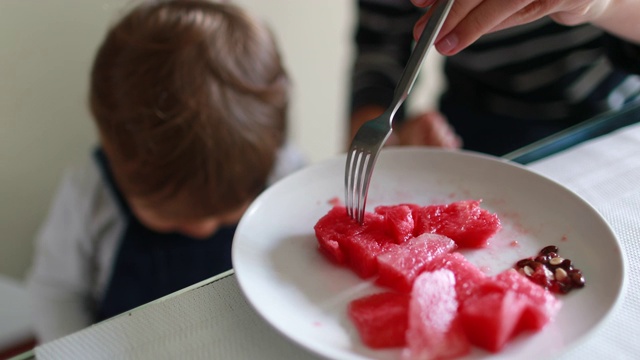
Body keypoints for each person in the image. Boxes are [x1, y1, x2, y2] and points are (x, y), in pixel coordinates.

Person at [26, 0, 305, 344]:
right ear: (118, 161)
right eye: (173, 215)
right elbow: (55, 293)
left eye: (224, 211)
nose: (202, 229)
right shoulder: (91, 196)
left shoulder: (286, 177)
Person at [350, 0, 640, 155]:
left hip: (619, 125)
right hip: (478, 129)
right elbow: (381, 46)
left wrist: (608, 5)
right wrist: (383, 137)